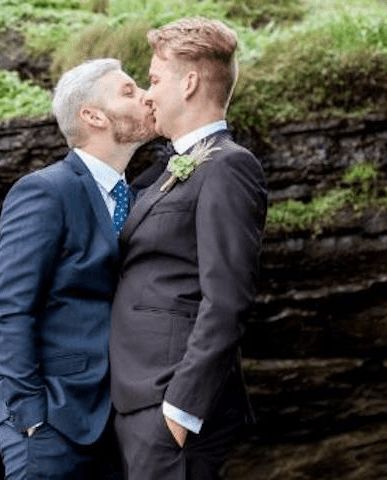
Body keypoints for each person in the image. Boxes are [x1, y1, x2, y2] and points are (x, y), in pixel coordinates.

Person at [110, 18, 268, 480]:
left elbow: (227, 300)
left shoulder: (228, 167)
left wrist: (179, 411)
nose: (148, 93)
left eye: (155, 80)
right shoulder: (168, 169)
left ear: (190, 83)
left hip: (170, 401)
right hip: (137, 399)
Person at [0, 58, 155, 479]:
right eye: (129, 91)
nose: (146, 98)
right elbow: (10, 310)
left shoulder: (138, 197)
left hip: (120, 424)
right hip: (53, 420)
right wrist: (31, 414)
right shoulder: (45, 191)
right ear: (93, 115)